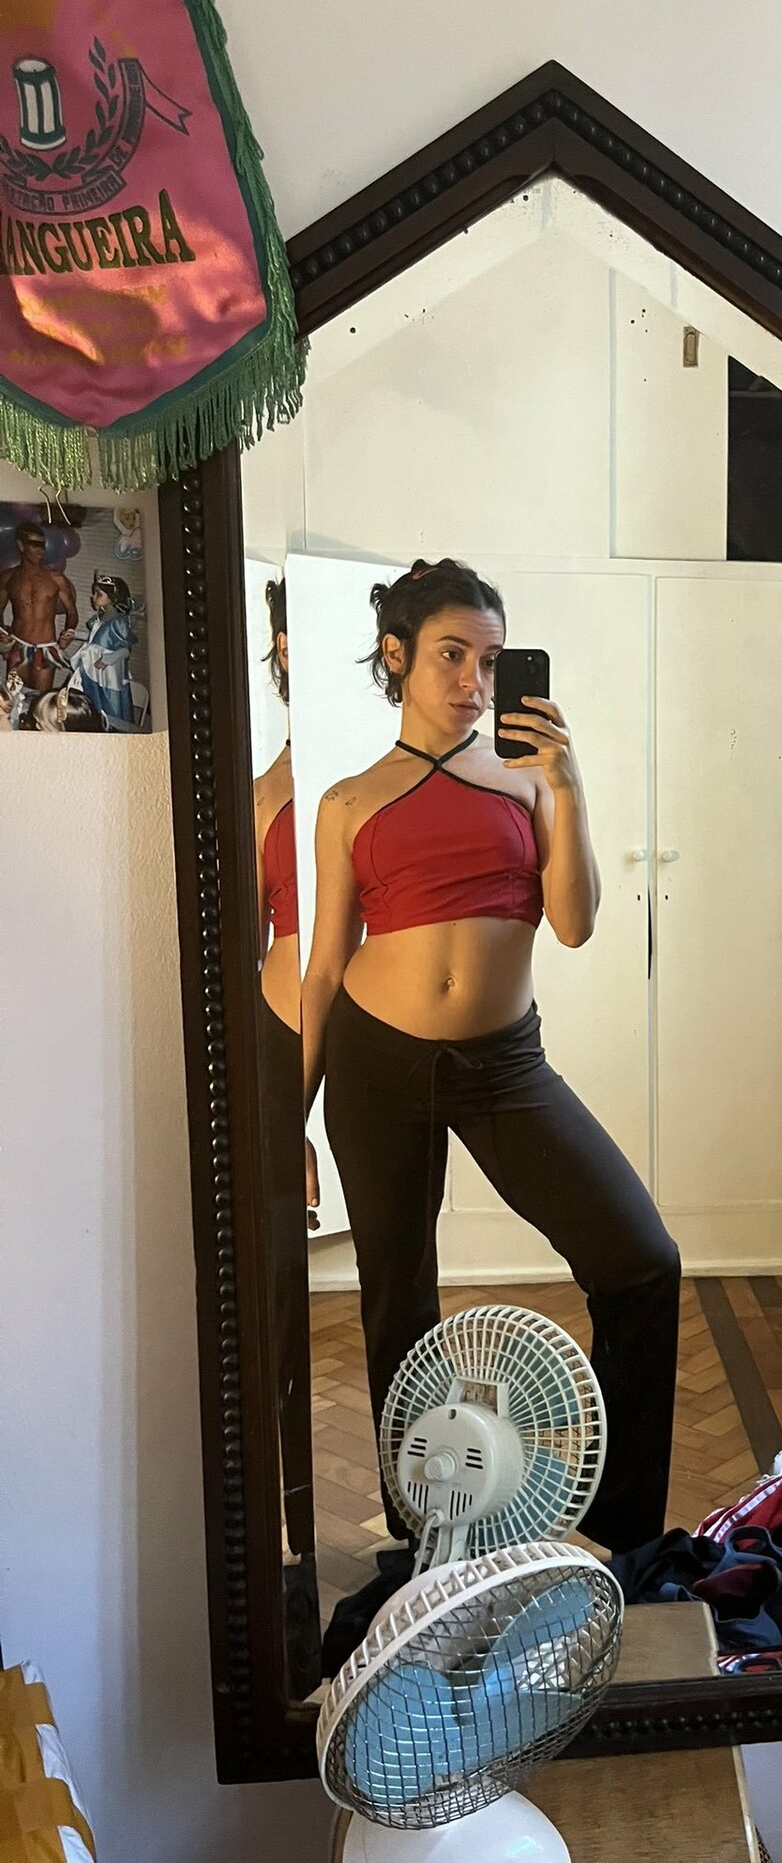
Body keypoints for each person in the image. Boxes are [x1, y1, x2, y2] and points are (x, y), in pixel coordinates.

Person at [302, 558, 680, 1559]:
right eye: (451, 655)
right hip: (375, 1063)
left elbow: (575, 924)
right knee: (397, 1297)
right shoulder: (347, 802)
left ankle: (626, 1532)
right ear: (397, 656)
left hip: (507, 1066)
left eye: (491, 659)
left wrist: (569, 783)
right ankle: (422, 1530)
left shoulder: (528, 781)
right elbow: (325, 964)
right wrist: (287, 1122)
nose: (474, 680)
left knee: (640, 1262)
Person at [251, 577, 316, 1569]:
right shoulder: (264, 787)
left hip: (380, 1037)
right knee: (276, 1284)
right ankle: (292, 1519)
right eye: (280, 640)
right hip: (276, 1033)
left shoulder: (385, 776)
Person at [0, 526, 77, 694]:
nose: (41, 550)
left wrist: (69, 632)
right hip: (18, 648)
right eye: (35, 544)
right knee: (11, 697)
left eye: (42, 545)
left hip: (46, 649)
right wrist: (2, 632)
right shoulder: (8, 577)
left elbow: (72, 611)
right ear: (21, 545)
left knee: (41, 701)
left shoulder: (56, 578)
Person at [67, 573, 137, 729]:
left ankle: (111, 727)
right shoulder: (100, 618)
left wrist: (108, 659)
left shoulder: (119, 621)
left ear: (112, 597)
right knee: (90, 698)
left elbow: (125, 650)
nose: (93, 597)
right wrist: (76, 635)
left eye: (98, 594)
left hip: (108, 673)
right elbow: (97, 639)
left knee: (108, 702)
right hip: (92, 668)